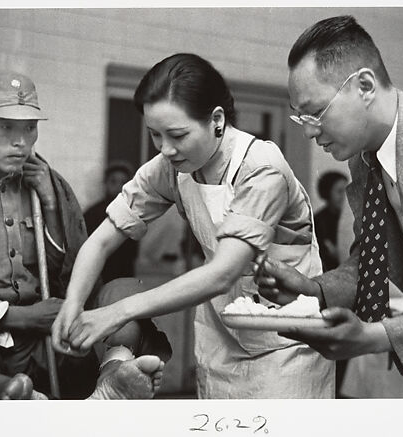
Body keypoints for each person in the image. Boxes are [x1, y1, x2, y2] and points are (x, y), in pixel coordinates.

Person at [52, 53, 335, 399]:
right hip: (222, 341)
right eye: (155, 135)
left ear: (217, 120)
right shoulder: (173, 167)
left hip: (287, 348)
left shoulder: (261, 167)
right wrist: (73, 305)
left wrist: (117, 313)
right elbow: (102, 241)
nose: (166, 149)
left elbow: (223, 272)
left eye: (177, 135)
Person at [255, 15, 403, 397]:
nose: (309, 130)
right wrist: (312, 290)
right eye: (300, 118)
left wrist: (372, 337)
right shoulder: (365, 158)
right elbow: (376, 262)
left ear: (364, 85)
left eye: (315, 112)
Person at [0, 70, 169, 399]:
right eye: (5, 127)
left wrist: (51, 206)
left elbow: (68, 277)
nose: (21, 141)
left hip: (50, 343)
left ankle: (113, 374)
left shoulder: (47, 183)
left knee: (125, 291)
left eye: (29, 127)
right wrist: (18, 317)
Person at [83, 161, 139, 282]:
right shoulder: (91, 213)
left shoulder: (135, 213)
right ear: (105, 183)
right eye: (113, 181)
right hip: (98, 275)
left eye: (123, 182)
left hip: (124, 275)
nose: (118, 186)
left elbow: (133, 251)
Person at [314, 171, 348, 271]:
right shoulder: (319, 221)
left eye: (347, 191)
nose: (345, 197)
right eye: (340, 191)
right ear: (327, 193)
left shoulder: (352, 218)